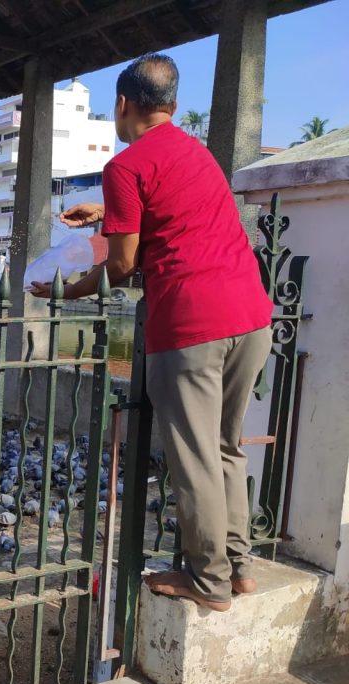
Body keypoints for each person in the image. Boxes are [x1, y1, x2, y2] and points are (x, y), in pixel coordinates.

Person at [31, 53, 272, 612]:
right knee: (226, 449)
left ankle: (207, 581)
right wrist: (107, 214)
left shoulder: (125, 167)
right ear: (173, 105)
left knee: (193, 458)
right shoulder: (198, 153)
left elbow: (120, 267)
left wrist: (65, 291)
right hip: (251, 316)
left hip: (192, 325)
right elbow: (169, 210)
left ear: (122, 103)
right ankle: (238, 568)